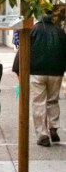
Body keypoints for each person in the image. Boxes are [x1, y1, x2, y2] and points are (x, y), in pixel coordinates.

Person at [12, 11, 66, 147]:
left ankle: (43, 135)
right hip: (56, 72)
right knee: (53, 100)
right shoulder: (59, 31)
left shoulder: (33, 30)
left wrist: (17, 69)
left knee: (38, 102)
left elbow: (23, 49)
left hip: (36, 72)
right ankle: (53, 127)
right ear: (51, 17)